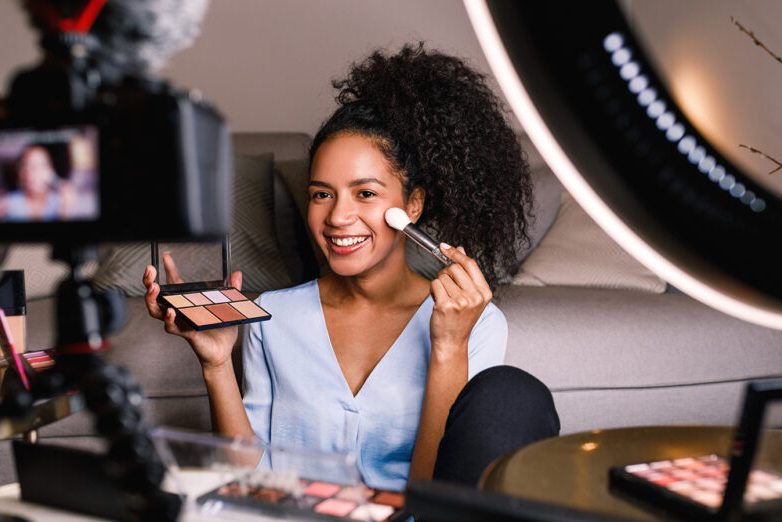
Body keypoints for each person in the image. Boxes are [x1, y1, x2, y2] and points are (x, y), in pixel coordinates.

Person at [143, 44, 559, 490]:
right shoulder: (274, 317)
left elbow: (436, 490)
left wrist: (449, 346)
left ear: (412, 205)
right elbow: (250, 484)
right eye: (322, 194)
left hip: (417, 518)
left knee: (514, 396)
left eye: (365, 194)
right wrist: (217, 364)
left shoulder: (477, 323)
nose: (338, 217)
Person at [0, 143, 76, 222]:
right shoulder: (9, 202)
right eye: (26, 165)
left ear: (50, 170)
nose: (31, 172)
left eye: (38, 166)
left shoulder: (60, 201)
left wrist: (65, 209)